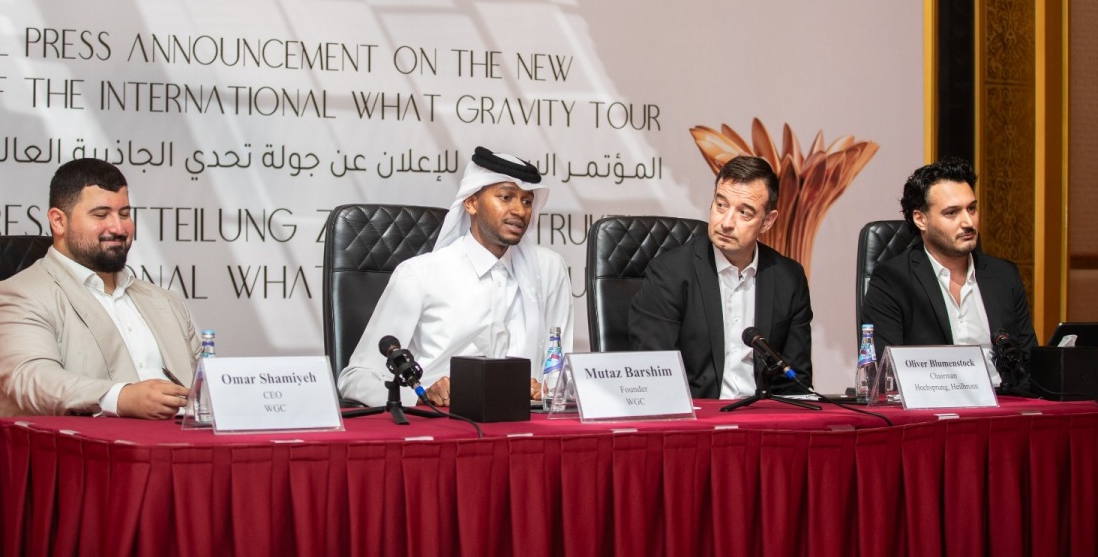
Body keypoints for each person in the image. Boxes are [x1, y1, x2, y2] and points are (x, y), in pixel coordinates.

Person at [337, 147, 574, 408]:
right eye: (506, 197)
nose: (519, 210)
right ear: (471, 203)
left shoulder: (549, 270)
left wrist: (550, 389)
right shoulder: (420, 275)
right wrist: (421, 395)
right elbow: (356, 378)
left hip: (529, 426)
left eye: (527, 201)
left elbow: (565, 372)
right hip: (444, 426)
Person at [0, 159, 200, 418]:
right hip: (80, 455)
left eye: (125, 214)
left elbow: (207, 388)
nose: (118, 228)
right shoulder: (17, 297)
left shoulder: (166, 302)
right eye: (101, 215)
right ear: (58, 221)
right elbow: (32, 381)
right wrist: (122, 397)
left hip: (185, 450)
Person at [629, 155, 813, 398]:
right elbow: (655, 376)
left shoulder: (789, 278)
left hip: (764, 423)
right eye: (721, 205)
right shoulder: (670, 274)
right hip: (698, 423)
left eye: (744, 212)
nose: (726, 222)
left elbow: (796, 382)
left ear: (767, 222)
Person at [860, 158, 1037, 380]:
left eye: (971, 209)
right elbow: (886, 376)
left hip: (1002, 405)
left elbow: (1030, 364)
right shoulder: (892, 281)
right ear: (920, 219)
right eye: (952, 213)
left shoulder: (1004, 276)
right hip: (931, 408)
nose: (968, 222)